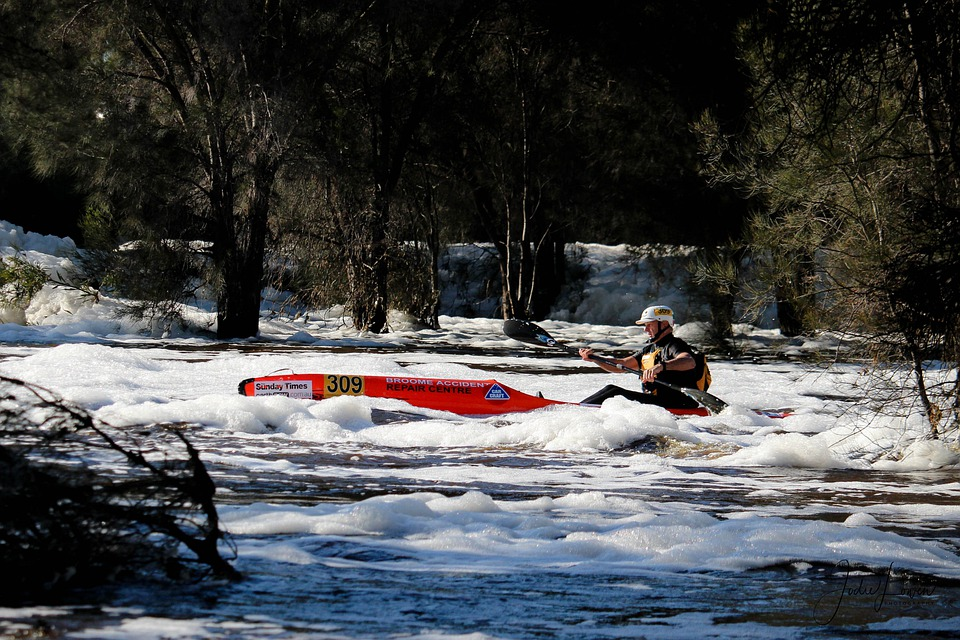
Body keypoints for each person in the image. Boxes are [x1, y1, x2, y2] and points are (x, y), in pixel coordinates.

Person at [578, 305, 707, 409]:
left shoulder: (675, 344)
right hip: (658, 403)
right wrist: (594, 358)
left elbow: (689, 361)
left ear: (663, 324)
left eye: (649, 325)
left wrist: (660, 367)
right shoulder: (649, 349)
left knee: (615, 393)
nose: (645, 330)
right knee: (610, 389)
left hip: (679, 405)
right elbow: (621, 365)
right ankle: (579, 408)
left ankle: (580, 410)